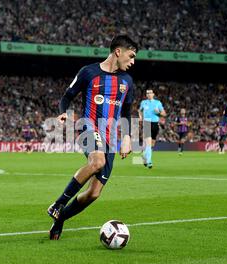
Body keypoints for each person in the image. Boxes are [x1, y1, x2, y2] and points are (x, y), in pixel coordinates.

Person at [46, 35, 138, 240]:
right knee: (97, 161)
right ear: (118, 52)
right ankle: (59, 203)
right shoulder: (89, 72)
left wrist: (127, 137)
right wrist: (63, 111)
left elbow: (127, 112)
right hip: (89, 126)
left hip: (112, 138)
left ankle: (60, 218)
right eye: (131, 56)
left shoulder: (127, 81)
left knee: (93, 194)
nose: (133, 62)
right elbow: (67, 96)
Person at [138, 89, 166, 168]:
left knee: (152, 144)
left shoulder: (158, 103)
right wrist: (140, 116)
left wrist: (159, 112)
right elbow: (139, 110)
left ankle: (144, 155)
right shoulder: (143, 102)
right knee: (148, 143)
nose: (149, 94)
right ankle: (149, 161)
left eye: (150, 93)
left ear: (153, 94)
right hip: (147, 123)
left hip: (155, 124)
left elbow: (164, 114)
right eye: (147, 93)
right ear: (146, 95)